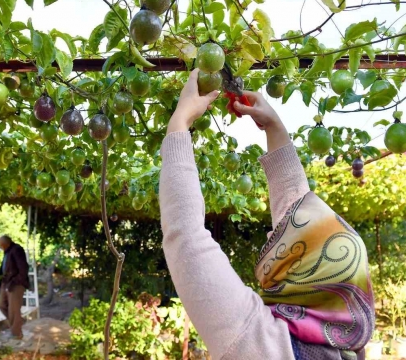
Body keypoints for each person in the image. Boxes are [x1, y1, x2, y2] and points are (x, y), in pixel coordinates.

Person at [159, 69, 375, 360]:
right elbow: (293, 205)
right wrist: (274, 127)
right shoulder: (347, 346)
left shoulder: (256, 343)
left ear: (299, 275)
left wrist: (179, 122)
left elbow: (185, 235)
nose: (278, 230)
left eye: (287, 236)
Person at [0, 235, 30, 340]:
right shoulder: (8, 251)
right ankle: (17, 322)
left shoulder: (17, 250)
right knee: (1, 304)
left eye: (1, 245)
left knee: (13, 310)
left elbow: (23, 269)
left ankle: (16, 334)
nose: (0, 247)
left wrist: (15, 281)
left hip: (15, 284)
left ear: (6, 244)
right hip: (6, 282)